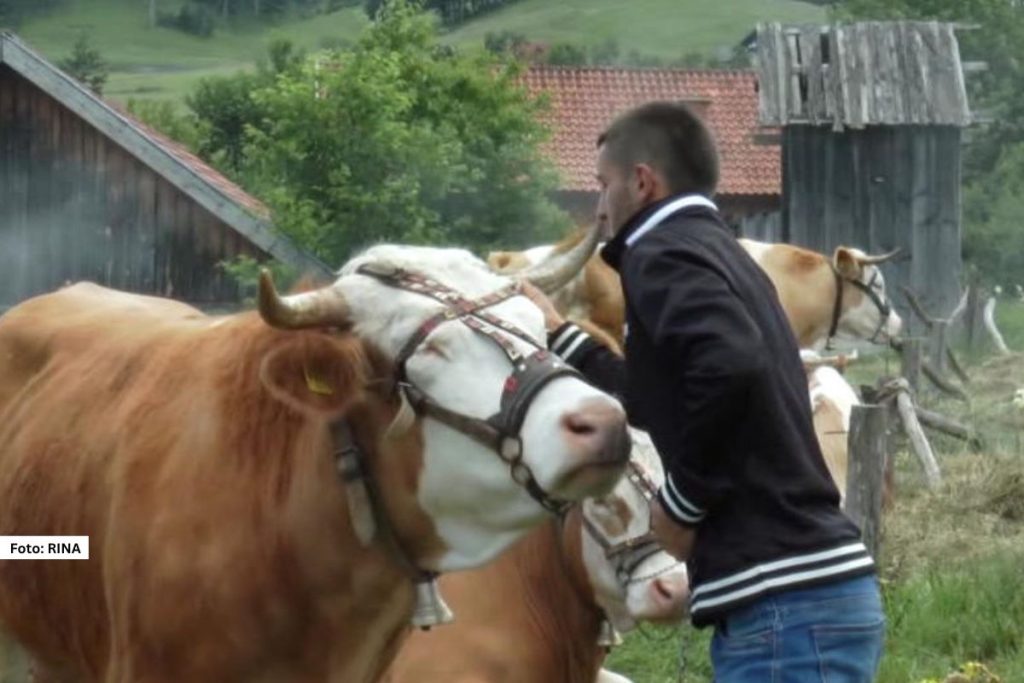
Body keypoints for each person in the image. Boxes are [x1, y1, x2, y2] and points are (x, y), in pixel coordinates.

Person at [522, 101, 885, 681]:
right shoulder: (715, 252)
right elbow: (655, 400)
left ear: (642, 182)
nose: (599, 206)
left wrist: (681, 503)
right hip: (806, 600)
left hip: (783, 608)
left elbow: (730, 367)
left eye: (604, 185)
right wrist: (562, 336)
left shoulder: (660, 252)